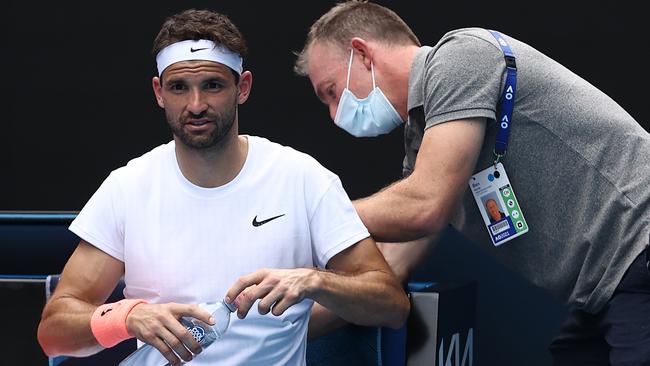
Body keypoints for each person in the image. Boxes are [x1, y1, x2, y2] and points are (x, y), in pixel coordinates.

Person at [37, 8, 409, 366]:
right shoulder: (127, 188)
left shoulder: (302, 177)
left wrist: (314, 281)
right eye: (179, 87)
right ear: (159, 92)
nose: (195, 104)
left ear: (242, 87)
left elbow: (391, 305)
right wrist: (127, 317)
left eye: (212, 85)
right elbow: (53, 333)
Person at [294, 1, 650, 364]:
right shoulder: (426, 142)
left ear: (363, 54)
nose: (335, 114)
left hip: (639, 249)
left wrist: (309, 213)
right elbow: (389, 267)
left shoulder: (459, 58)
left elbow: (425, 204)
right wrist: (274, 328)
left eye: (332, 92)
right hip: (604, 290)